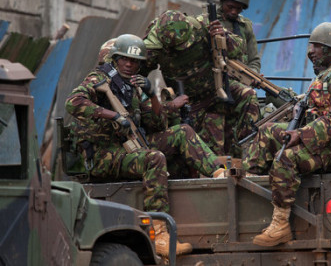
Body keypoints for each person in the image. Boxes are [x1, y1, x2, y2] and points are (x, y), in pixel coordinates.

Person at [66, 34, 225, 257]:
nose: (130, 65)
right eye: (125, 60)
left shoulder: (131, 86)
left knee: (183, 132)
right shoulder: (99, 79)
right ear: (115, 59)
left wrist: (152, 95)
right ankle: (159, 233)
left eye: (135, 61)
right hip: (104, 156)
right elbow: (73, 102)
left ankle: (218, 173)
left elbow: (156, 123)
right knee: (155, 158)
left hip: (129, 147)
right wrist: (112, 115)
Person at [242, 22, 331, 247]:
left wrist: (302, 134)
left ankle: (280, 225)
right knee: (268, 131)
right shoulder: (326, 75)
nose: (310, 52)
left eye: (316, 47)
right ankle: (248, 180)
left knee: (286, 158)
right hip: (321, 141)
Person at [142, 10, 260, 157]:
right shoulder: (152, 48)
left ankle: (249, 151)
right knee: (210, 145)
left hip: (218, 86)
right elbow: (137, 75)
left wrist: (223, 37)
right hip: (190, 101)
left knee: (248, 95)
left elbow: (239, 50)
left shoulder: (203, 25)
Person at [196, 0, 260, 73]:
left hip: (241, 77)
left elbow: (254, 60)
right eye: (230, 7)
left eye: (238, 8)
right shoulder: (205, 22)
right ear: (222, 3)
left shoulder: (245, 26)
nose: (234, 12)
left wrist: (253, 74)